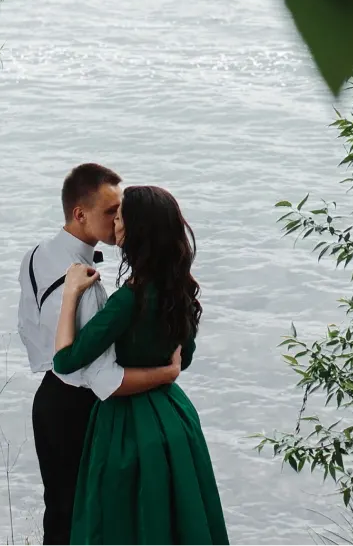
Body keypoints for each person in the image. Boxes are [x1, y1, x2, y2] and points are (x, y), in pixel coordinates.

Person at [52, 184, 229, 546]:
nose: (114, 222)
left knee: (122, 524)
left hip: (126, 427)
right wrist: (164, 372)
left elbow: (66, 361)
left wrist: (70, 295)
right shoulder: (179, 292)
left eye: (120, 217)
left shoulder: (126, 301)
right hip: (175, 419)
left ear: (137, 230)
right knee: (178, 523)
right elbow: (186, 357)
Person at [17, 164, 183, 546]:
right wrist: (165, 373)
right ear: (80, 213)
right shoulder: (86, 287)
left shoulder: (35, 256)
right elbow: (107, 381)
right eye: (111, 211)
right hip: (81, 409)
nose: (119, 219)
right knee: (86, 521)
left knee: (59, 514)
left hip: (48, 400)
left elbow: (29, 332)